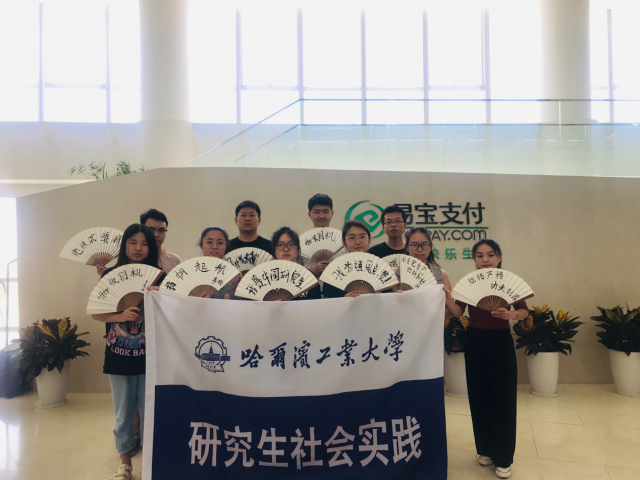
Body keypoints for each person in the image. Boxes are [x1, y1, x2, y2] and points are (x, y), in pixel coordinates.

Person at [447, 239, 528, 480]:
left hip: (501, 341)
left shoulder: (508, 281)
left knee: (503, 398)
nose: (485, 260)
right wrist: (448, 298)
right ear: (474, 259)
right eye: (480, 255)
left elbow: (524, 310)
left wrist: (511, 314)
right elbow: (458, 311)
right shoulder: (470, 283)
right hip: (476, 340)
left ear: (499, 257)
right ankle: (484, 449)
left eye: (490, 255)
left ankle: (503, 458)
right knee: (478, 394)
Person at [91, 224, 166, 480]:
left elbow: (174, 310)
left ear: (151, 247)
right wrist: (119, 316)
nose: (138, 248)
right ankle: (125, 462)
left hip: (151, 358)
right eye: (133, 242)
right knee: (123, 413)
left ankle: (149, 464)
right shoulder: (110, 276)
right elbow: (96, 312)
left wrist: (162, 295)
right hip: (118, 356)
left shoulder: (159, 277)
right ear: (125, 245)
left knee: (150, 413)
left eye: (144, 243)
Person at [400, 227, 459, 319]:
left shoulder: (441, 274)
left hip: (431, 325)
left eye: (424, 245)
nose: (419, 249)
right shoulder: (396, 273)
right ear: (407, 247)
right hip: (403, 323)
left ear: (430, 247)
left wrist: (428, 316)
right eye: (414, 245)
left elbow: (451, 310)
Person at [322, 220, 375, 299]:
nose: (358, 242)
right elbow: (327, 302)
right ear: (344, 243)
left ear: (369, 240)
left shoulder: (378, 267)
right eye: (352, 238)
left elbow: (390, 296)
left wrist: (380, 296)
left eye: (362, 237)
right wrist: (345, 300)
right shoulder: (334, 271)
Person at [271, 226, 321, 300]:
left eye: (291, 244)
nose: (286, 249)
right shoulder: (266, 277)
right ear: (274, 249)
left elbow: (316, 304)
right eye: (280, 245)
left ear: (297, 248)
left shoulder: (308, 277)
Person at [304, 193, 348, 277]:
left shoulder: (342, 241)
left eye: (325, 212)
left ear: (332, 213)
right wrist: (313, 271)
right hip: (311, 284)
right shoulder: (302, 243)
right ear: (310, 215)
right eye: (317, 212)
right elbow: (296, 269)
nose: (321, 216)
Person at [197, 226, 241, 299]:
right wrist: (194, 301)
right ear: (201, 245)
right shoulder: (191, 272)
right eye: (209, 242)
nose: (214, 247)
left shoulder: (234, 275)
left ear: (226, 246)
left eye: (220, 243)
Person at [140, 209, 182, 274]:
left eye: (161, 230)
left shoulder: (175, 261)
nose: (156, 234)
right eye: (152, 230)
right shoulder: (136, 257)